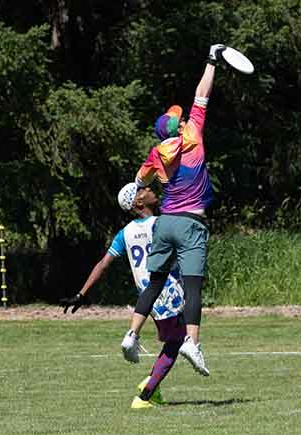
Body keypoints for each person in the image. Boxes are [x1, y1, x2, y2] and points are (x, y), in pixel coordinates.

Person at [120, 44, 225, 377]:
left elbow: (139, 180)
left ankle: (132, 334)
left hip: (164, 223)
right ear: (178, 127)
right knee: (193, 287)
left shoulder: (156, 154)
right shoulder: (192, 134)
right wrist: (211, 60)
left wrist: (148, 175)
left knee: (154, 283)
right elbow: (202, 95)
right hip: (191, 223)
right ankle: (192, 343)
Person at [60, 183, 188, 409]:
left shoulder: (125, 233)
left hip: (147, 299)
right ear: (138, 202)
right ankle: (145, 395)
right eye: (143, 189)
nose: (149, 188)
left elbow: (102, 264)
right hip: (169, 293)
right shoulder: (160, 224)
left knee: (173, 340)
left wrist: (81, 293)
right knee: (176, 341)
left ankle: (152, 387)